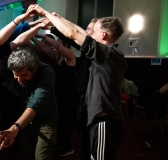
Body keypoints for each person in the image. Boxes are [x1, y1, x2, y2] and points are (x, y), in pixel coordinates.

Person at [28, 4, 127, 159]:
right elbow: (78, 31)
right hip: (100, 119)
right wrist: (58, 19)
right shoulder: (104, 53)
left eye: (94, 31)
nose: (89, 34)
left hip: (105, 120)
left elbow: (74, 33)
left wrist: (45, 12)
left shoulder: (107, 53)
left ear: (104, 35)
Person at [0, 48, 58, 160]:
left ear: (34, 69)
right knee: (26, 155)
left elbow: (36, 102)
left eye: (24, 75)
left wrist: (15, 127)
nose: (19, 80)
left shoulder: (46, 72)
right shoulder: (12, 71)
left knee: (41, 157)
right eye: (16, 75)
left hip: (45, 121)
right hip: (25, 122)